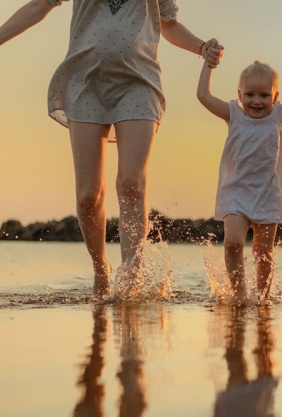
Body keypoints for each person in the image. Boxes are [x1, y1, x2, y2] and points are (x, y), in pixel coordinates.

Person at [0, 0, 221, 299]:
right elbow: (39, 5)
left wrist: (200, 46)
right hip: (85, 81)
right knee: (88, 196)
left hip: (139, 81)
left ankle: (130, 277)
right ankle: (101, 269)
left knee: (132, 183)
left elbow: (168, 23)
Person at [197, 54, 282, 305]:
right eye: (250, 94)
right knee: (233, 243)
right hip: (236, 193)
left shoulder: (278, 115)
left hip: (267, 194)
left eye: (264, 95)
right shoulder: (233, 114)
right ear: (240, 94)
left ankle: (263, 298)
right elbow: (203, 95)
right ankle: (239, 293)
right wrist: (208, 66)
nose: (257, 101)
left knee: (263, 253)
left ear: (275, 97)